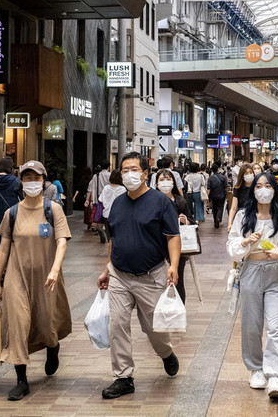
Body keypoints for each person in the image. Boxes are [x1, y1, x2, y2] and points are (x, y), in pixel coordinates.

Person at [97, 152, 182, 399]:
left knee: (154, 329)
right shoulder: (118, 203)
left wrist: (173, 266)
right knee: (118, 325)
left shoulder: (160, 202)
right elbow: (114, 239)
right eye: (124, 170)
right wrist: (106, 269)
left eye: (134, 169)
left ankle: (166, 353)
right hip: (119, 275)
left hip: (151, 275)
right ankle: (123, 377)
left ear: (145, 174)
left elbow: (172, 236)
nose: (129, 174)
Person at [0, 160, 71, 401]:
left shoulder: (53, 209)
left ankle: (52, 347)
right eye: (27, 178)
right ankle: (21, 380)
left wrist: (55, 270)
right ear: (21, 182)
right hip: (17, 276)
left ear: (43, 181)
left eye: (36, 178)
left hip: (47, 276)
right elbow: (3, 249)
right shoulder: (12, 213)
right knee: (17, 322)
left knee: (46, 321)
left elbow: (62, 241)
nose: (32, 183)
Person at [227, 172, 278, 399]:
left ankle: (275, 374)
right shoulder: (243, 216)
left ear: (274, 189)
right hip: (250, 272)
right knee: (251, 325)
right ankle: (256, 369)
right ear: (253, 190)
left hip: (274, 275)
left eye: (268, 185)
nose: (263, 190)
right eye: (258, 185)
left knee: (274, 325)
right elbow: (232, 245)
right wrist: (245, 241)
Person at [156, 169, 194, 303]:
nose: (165, 183)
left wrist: (186, 220)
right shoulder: (152, 201)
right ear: (156, 184)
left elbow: (192, 220)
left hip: (178, 245)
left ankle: (180, 307)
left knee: (178, 278)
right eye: (161, 180)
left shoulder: (180, 201)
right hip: (156, 245)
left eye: (168, 179)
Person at [228, 163, 263, 232]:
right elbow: (233, 208)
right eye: (246, 173)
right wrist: (230, 223)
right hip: (242, 218)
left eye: (250, 172)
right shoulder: (238, 189)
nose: (249, 175)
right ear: (242, 175)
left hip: (256, 218)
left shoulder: (258, 187)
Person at [98, 170, 126, 244]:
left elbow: (100, 199)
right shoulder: (123, 189)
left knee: (109, 234)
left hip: (106, 214)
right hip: (119, 214)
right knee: (117, 233)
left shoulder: (106, 188)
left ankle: (110, 247)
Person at [207, 164, 228, 228]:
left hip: (213, 195)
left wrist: (208, 197)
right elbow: (226, 187)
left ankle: (215, 221)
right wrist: (227, 194)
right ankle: (218, 218)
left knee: (214, 208)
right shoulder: (223, 177)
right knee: (220, 207)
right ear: (218, 169)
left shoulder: (210, 178)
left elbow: (208, 189)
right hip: (221, 195)